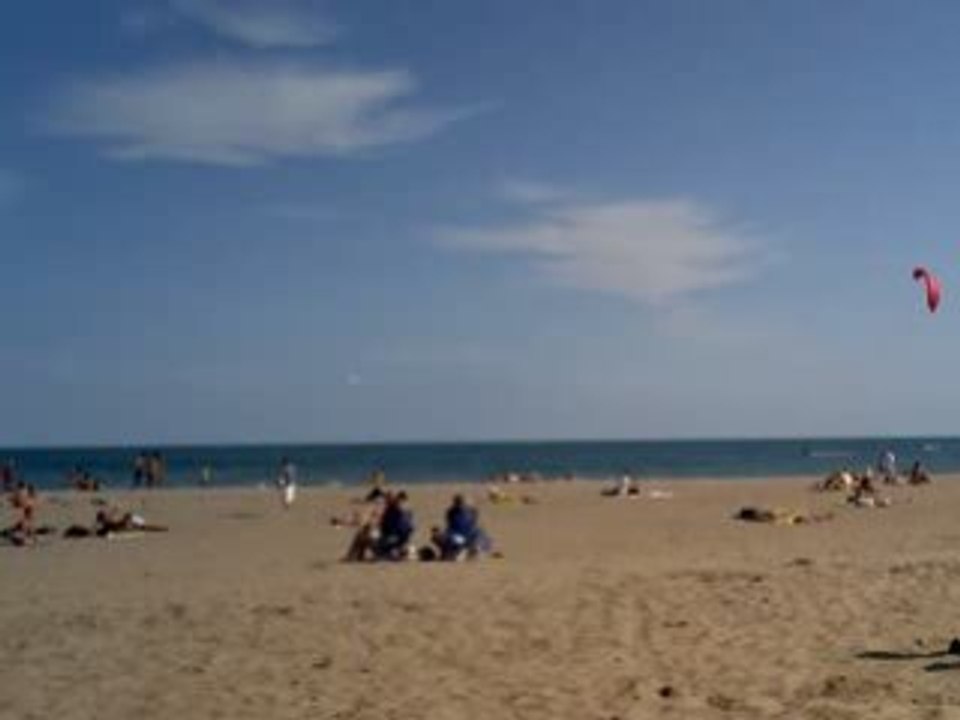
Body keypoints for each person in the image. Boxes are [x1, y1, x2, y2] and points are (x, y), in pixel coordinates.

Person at [436, 494, 492, 560]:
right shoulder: (451, 512)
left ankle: (471, 551)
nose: (460, 505)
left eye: (461, 503)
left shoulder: (472, 511)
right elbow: (450, 527)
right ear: (455, 503)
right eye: (458, 503)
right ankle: (458, 551)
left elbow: (474, 525)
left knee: (480, 538)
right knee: (440, 537)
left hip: (469, 537)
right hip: (458, 537)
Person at [375, 491, 415, 560]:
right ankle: (389, 552)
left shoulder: (398, 511)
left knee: (380, 543)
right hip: (394, 536)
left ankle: (390, 552)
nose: (387, 501)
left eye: (389, 499)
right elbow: (382, 525)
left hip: (396, 537)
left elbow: (407, 528)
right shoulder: (390, 511)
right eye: (387, 499)